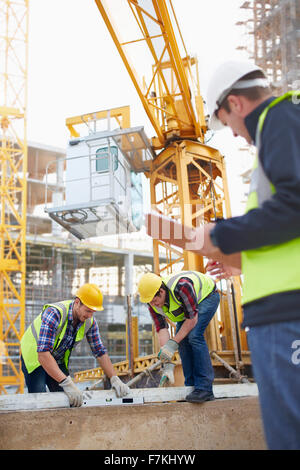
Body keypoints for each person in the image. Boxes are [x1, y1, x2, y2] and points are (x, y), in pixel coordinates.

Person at [199, 60, 300, 449]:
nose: (237, 136)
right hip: (278, 314)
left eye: (226, 123)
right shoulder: (282, 129)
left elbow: (294, 207)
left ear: (236, 104)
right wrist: (239, 260)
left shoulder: (280, 119)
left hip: (288, 314)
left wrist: (221, 233)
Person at [20, 283, 130, 407]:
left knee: (69, 401)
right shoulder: (55, 313)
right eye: (88, 310)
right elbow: (43, 355)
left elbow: (100, 352)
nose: (90, 315)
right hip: (35, 357)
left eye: (93, 312)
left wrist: (114, 378)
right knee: (40, 401)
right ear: (77, 302)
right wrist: (67, 383)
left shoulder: (89, 322)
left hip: (56, 358)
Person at [137, 271, 220, 403]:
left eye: (154, 299)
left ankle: (205, 389)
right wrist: (167, 359)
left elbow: (192, 320)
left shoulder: (182, 286)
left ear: (161, 291)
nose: (153, 304)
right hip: (187, 309)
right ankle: (191, 389)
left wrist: (173, 342)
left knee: (194, 336)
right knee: (182, 341)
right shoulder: (152, 302)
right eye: (150, 301)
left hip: (207, 296)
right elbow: (162, 329)